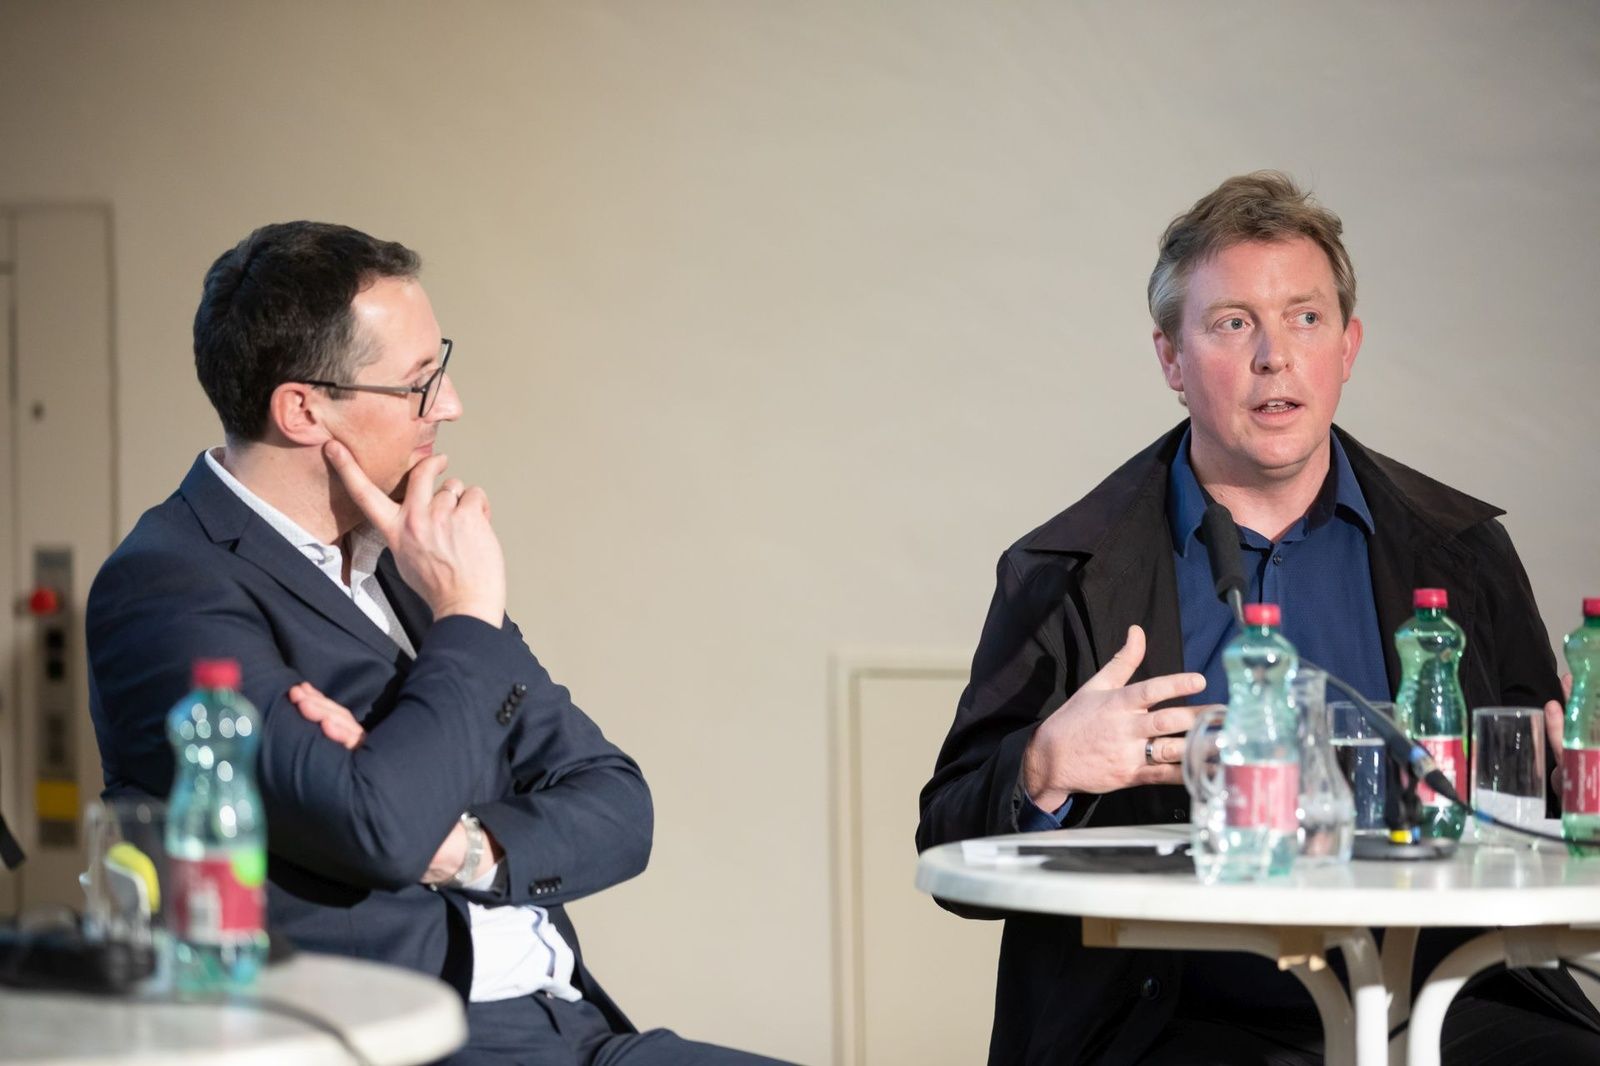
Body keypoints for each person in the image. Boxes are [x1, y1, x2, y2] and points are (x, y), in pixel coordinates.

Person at [916, 172, 1600, 1065]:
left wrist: (1576, 781)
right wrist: (1044, 766)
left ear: (1348, 347)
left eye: (1305, 317)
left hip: (1445, 1000)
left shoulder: (1460, 552)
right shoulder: (1065, 573)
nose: (1274, 356)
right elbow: (949, 850)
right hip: (1173, 1019)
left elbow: (1539, 806)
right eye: (1233, 323)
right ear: (1172, 360)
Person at [86, 221, 790, 1066]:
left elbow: (618, 806)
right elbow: (378, 826)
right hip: (404, 1040)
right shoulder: (167, 587)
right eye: (419, 383)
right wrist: (465, 614)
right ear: (303, 409)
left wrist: (460, 850)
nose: (449, 405)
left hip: (578, 1029)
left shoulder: (411, 557)